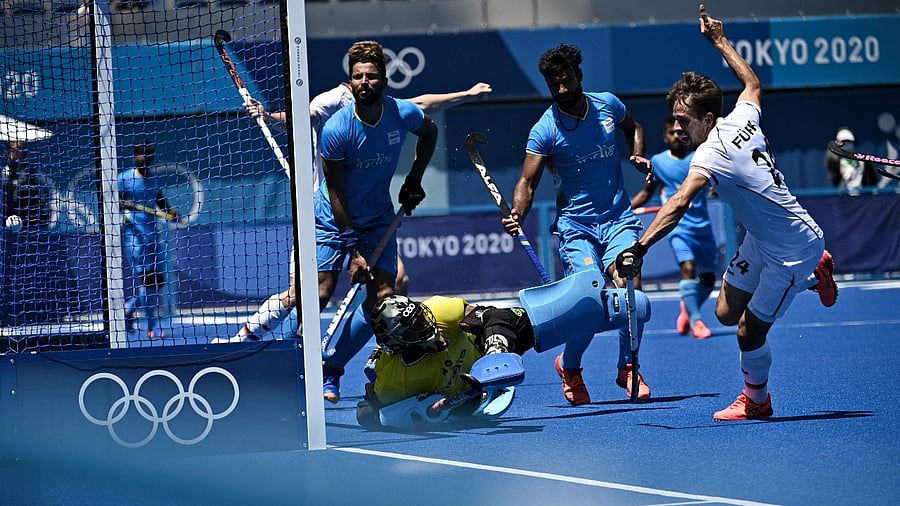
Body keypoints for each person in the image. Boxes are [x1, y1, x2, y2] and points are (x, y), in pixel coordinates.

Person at [615, 5, 838, 421]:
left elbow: (678, 203)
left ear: (708, 119)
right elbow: (752, 83)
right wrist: (718, 40)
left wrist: (640, 247)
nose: (679, 129)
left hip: (792, 247)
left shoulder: (711, 153)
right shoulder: (741, 116)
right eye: (676, 121)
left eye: (685, 121)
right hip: (762, 239)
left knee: (748, 332)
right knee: (723, 312)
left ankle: (758, 401)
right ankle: (817, 274)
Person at [226, 74, 490, 404]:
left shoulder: (387, 107)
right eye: (362, 77)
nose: (369, 84)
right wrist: (267, 116)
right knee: (305, 295)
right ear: (353, 80)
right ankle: (241, 345)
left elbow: (423, 104)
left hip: (369, 217)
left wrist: (467, 91)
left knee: (395, 286)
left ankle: (333, 366)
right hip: (327, 216)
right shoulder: (334, 100)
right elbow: (300, 118)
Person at [501, 42, 653, 405]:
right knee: (588, 301)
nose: (562, 89)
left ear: (578, 75)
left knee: (630, 288)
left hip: (618, 220)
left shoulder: (607, 105)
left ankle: (627, 367)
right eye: (554, 84)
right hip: (577, 228)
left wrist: (637, 153)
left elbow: (634, 126)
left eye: (566, 79)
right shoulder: (545, 129)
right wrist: (518, 212)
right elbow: (527, 181)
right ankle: (569, 366)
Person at [356, 294, 534, 430]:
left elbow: (489, 315)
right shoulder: (394, 384)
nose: (426, 326)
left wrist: (494, 351)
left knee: (507, 317)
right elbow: (379, 414)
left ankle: (497, 355)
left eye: (421, 318)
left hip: (480, 347)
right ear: (397, 343)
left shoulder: (437, 309)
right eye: (413, 329)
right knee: (367, 414)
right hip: (467, 402)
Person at [630, 115, 717, 339]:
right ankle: (697, 321)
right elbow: (647, 193)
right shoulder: (658, 162)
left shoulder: (700, 158)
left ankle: (689, 308)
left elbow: (717, 183)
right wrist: (625, 208)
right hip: (677, 227)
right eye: (672, 133)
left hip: (703, 227)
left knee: (708, 280)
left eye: (681, 132)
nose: (677, 136)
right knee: (687, 268)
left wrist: (717, 189)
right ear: (665, 137)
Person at [117, 140, 180, 339]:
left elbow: (160, 201)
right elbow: (111, 203)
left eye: (149, 154)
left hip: (153, 235)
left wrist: (171, 212)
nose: (145, 158)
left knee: (157, 282)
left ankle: (128, 308)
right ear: (135, 156)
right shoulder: (124, 179)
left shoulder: (153, 180)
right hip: (134, 237)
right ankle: (152, 327)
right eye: (141, 154)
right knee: (147, 280)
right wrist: (125, 204)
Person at [2, 142, 51, 230]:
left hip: (30, 223)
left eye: (20, 150)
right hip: (7, 222)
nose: (16, 153)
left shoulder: (31, 173)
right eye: (14, 150)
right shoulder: (3, 174)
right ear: (8, 152)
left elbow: (43, 198)